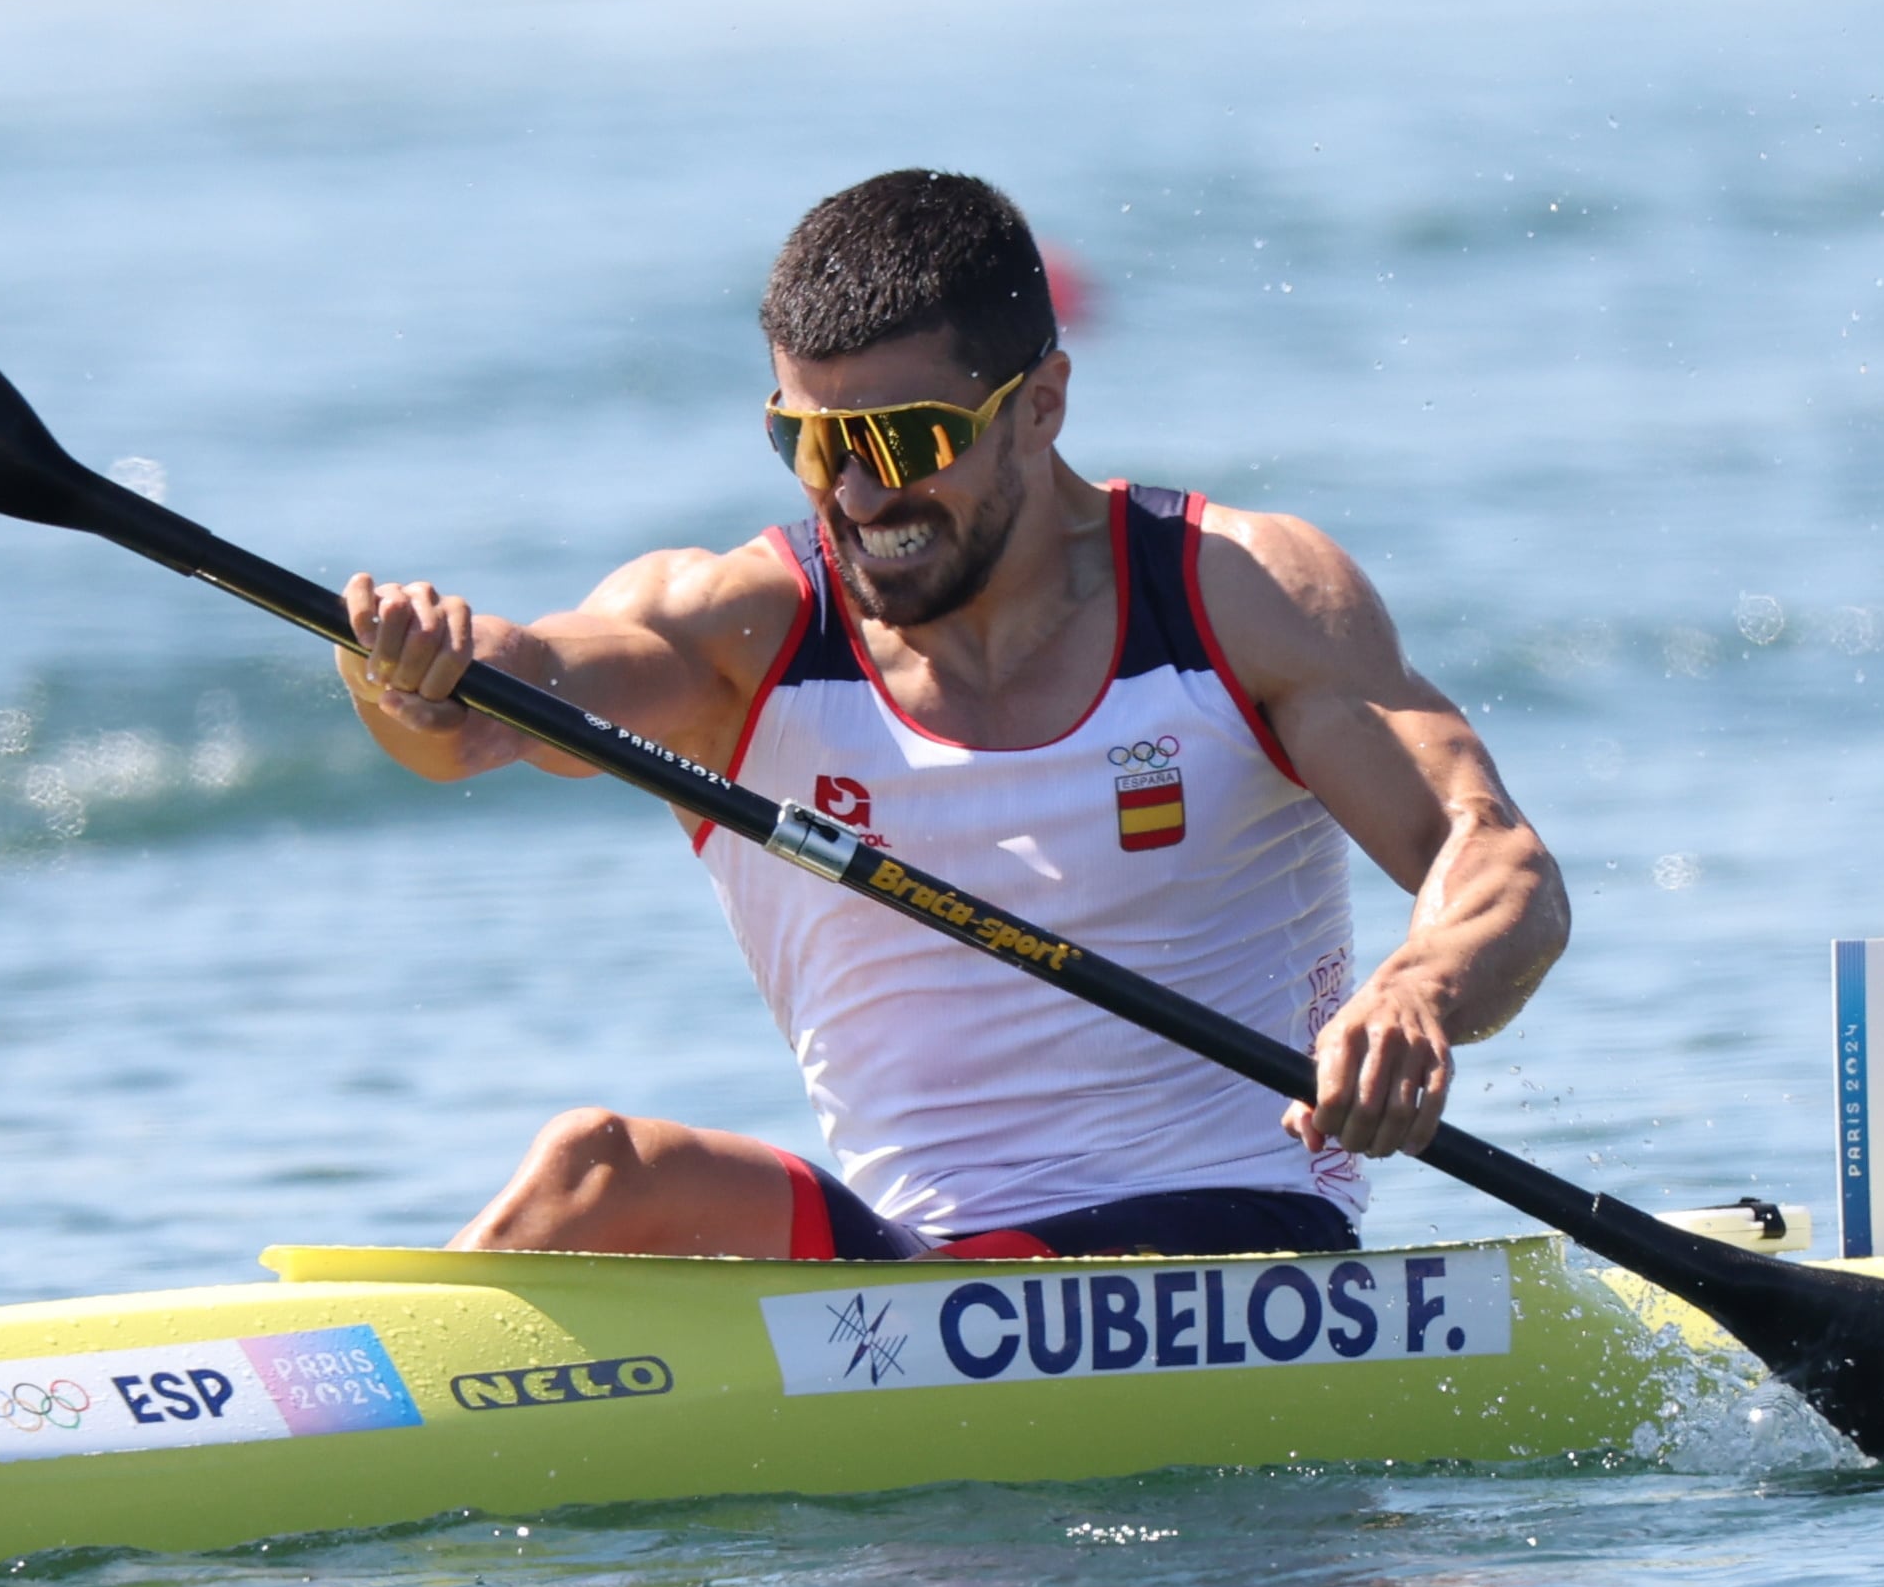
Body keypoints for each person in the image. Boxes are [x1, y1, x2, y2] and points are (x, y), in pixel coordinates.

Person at [340, 170, 1568, 1262]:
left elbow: (1497, 860)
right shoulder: (742, 632)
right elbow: (487, 716)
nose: (864, 494)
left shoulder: (1236, 596)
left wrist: (1419, 990)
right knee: (598, 1169)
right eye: (812, 444)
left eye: (908, 439)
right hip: (928, 1261)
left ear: (1043, 404)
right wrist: (413, 668)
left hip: (1232, 1236)